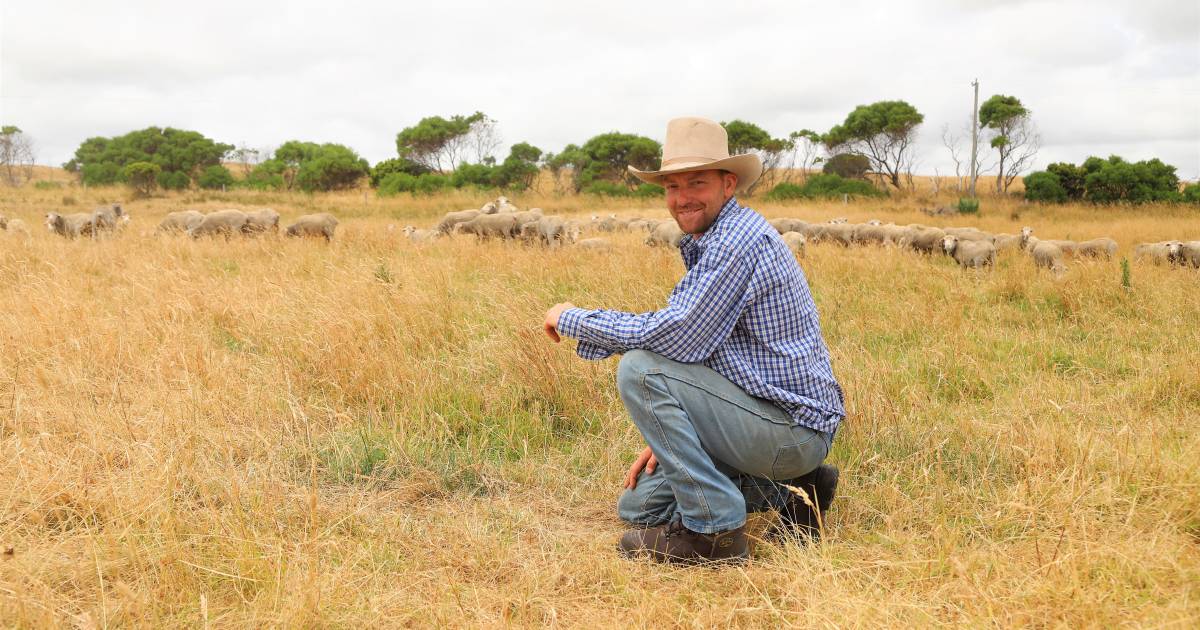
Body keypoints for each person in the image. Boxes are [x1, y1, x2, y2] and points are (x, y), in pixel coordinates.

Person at [542, 117, 845, 565]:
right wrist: (673, 431)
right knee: (640, 506)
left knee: (639, 367)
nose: (681, 198)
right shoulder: (718, 237)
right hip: (761, 418)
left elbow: (678, 335)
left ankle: (715, 534)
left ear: (728, 184)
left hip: (790, 429)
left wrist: (573, 319)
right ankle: (799, 492)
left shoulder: (737, 242)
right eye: (671, 186)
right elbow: (709, 347)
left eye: (696, 182)